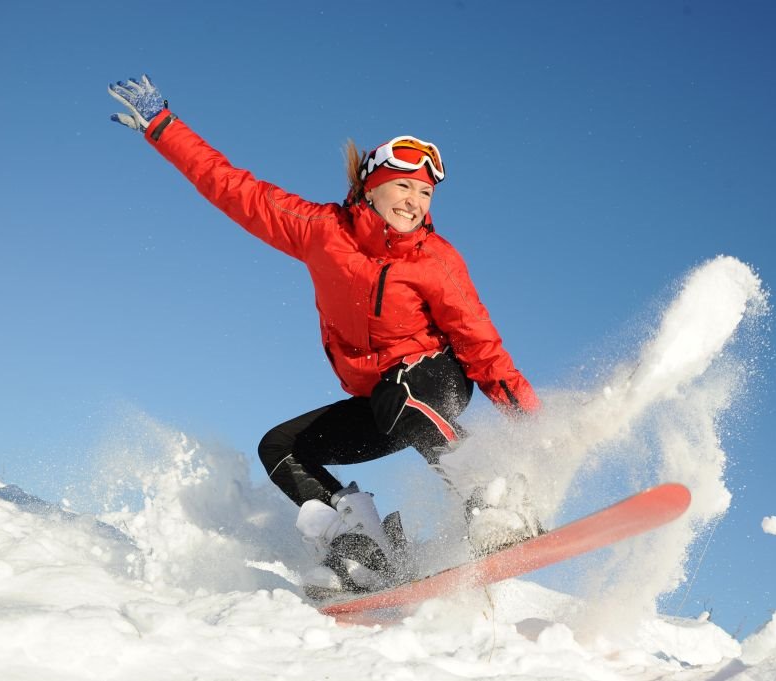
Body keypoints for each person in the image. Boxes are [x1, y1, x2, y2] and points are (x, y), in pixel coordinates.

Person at [108, 75, 541, 592]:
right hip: (383, 399)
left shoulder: (434, 260)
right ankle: (363, 545)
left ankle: (493, 504)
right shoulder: (321, 231)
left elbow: (484, 351)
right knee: (281, 446)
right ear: (370, 187)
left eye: (425, 192)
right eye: (403, 185)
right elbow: (231, 188)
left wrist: (537, 432)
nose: (415, 201)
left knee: (399, 393)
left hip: (435, 381)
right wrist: (163, 127)